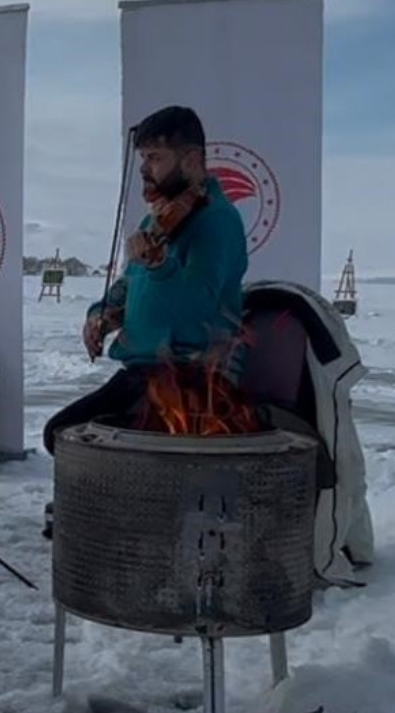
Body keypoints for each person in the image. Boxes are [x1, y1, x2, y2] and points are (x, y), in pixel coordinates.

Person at [41, 105, 249, 524]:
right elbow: (129, 282)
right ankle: (105, 514)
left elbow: (198, 307)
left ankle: (119, 520)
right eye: (142, 160)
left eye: (155, 158)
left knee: (105, 449)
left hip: (189, 379)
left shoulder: (218, 222)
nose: (145, 170)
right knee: (60, 433)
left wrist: (161, 266)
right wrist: (102, 312)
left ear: (191, 160)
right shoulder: (159, 218)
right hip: (141, 373)